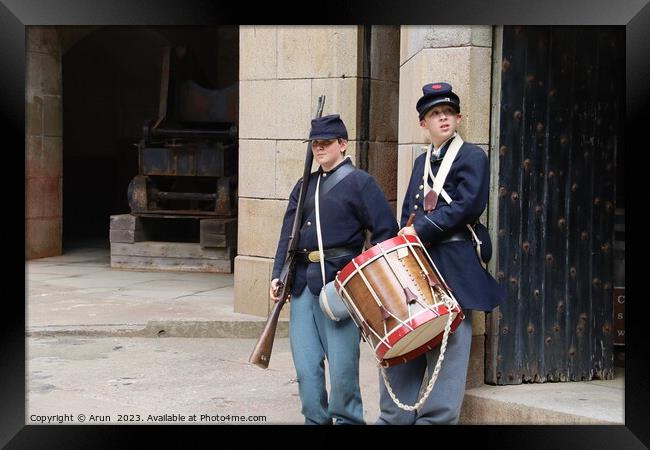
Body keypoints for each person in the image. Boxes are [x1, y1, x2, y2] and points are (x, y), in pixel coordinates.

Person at [376, 82, 506, 425]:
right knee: (405, 346)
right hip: (418, 266)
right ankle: (395, 419)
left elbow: (467, 205)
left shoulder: (472, 156)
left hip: (453, 265)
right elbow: (409, 211)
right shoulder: (421, 162)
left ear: (459, 118)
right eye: (435, 114)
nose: (443, 118)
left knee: (447, 360)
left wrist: (419, 230)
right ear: (424, 124)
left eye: (448, 112)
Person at [270, 114, 399, 425]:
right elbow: (289, 234)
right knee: (305, 369)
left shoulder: (360, 183)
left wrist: (363, 278)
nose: (319, 149)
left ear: (343, 144)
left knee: (342, 372)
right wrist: (278, 275)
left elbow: (386, 233)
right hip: (301, 284)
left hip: (340, 289)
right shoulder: (305, 184)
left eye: (325, 143)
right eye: (315, 144)